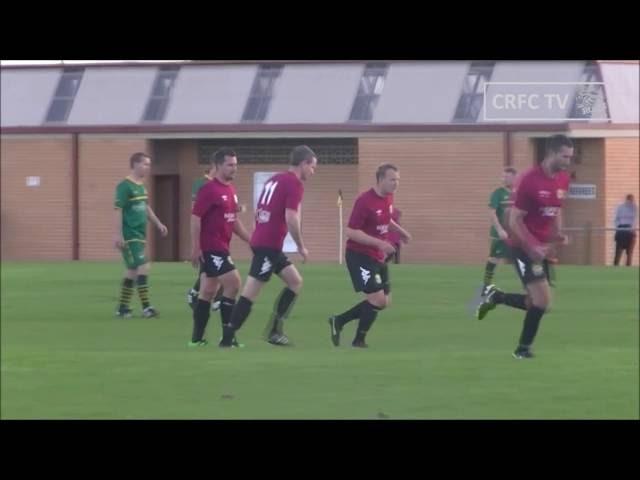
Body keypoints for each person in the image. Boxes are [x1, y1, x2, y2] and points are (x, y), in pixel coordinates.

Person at [475, 134, 573, 359]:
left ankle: (494, 296)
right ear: (552, 153)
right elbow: (514, 220)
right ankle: (522, 350)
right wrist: (533, 246)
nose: (567, 161)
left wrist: (558, 233)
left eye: (570, 157)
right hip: (521, 246)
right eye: (564, 156)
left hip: (540, 249)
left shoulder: (562, 179)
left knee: (537, 303)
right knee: (543, 301)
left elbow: (557, 208)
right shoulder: (529, 179)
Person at [219, 145, 318, 347]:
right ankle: (227, 339)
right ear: (304, 163)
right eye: (312, 167)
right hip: (268, 246)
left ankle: (274, 330)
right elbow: (291, 217)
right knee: (250, 292)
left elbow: (262, 209)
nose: (312, 172)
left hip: (265, 242)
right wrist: (300, 245)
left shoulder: (275, 179)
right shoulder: (295, 184)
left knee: (295, 281)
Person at [328, 164, 412, 348]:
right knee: (377, 299)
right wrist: (380, 243)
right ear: (380, 179)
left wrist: (401, 232)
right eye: (392, 179)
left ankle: (339, 321)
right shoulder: (364, 201)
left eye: (398, 180)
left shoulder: (389, 197)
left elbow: (385, 219)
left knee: (384, 302)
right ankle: (359, 341)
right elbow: (351, 231)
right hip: (359, 256)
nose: (396, 183)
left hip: (377, 256)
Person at [189, 148, 250, 347]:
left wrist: (251, 240)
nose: (234, 168)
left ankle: (196, 340)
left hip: (222, 246)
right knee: (233, 283)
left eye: (235, 164)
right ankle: (228, 339)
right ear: (217, 166)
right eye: (230, 165)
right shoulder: (209, 189)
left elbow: (233, 221)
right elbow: (195, 218)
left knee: (207, 291)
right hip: (212, 247)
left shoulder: (230, 190)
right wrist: (195, 248)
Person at [114, 152, 168, 318]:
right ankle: (146, 308)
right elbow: (118, 210)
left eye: (149, 164)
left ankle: (123, 308)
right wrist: (118, 235)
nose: (148, 167)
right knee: (143, 266)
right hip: (130, 235)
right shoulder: (125, 186)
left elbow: (146, 207)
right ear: (135, 164)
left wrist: (158, 223)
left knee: (132, 270)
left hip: (140, 234)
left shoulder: (141, 186)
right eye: (145, 164)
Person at [480, 167, 517, 294]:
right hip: (500, 234)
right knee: (494, 259)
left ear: (514, 178)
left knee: (523, 258)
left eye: (506, 176)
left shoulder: (519, 193)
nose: (503, 179)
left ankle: (531, 286)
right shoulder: (498, 193)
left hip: (515, 234)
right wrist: (500, 230)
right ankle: (485, 286)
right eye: (503, 176)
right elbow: (492, 213)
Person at [613, 194, 637, 266]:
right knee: (618, 253)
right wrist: (618, 228)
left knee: (629, 254)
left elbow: (636, 219)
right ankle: (615, 270)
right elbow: (616, 219)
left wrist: (632, 228)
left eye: (632, 201)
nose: (630, 202)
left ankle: (628, 269)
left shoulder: (635, 208)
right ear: (626, 200)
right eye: (629, 201)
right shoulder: (620, 207)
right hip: (621, 230)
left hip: (630, 231)